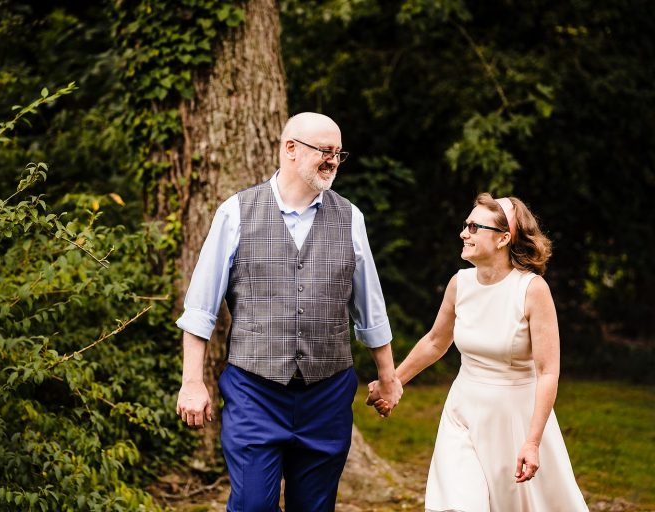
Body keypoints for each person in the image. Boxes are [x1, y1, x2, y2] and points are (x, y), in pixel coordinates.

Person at [175, 112, 403, 511]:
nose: (333, 160)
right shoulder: (236, 212)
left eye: (338, 153)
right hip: (254, 390)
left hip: (327, 392)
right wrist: (191, 381)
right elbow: (200, 309)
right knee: (252, 504)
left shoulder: (350, 218)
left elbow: (370, 307)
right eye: (325, 151)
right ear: (291, 150)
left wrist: (387, 376)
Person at [370, 193, 588, 511]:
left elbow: (548, 372)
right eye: (465, 225)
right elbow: (435, 342)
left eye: (474, 227)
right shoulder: (460, 283)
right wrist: (393, 382)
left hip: (515, 421)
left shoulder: (531, 289)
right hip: (463, 415)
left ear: (503, 238)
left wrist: (533, 441)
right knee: (458, 504)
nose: (464, 233)